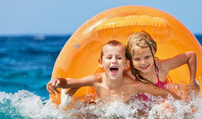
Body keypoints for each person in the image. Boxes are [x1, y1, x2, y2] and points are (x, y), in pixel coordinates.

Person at [46, 40, 180, 103]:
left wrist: (185, 108)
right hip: (102, 113)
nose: (114, 61)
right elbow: (69, 82)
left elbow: (163, 93)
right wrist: (56, 81)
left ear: (126, 63)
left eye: (119, 58)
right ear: (101, 62)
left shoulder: (133, 86)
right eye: (109, 57)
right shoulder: (97, 80)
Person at [125, 31, 200, 97]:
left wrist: (192, 82)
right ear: (130, 59)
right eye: (137, 59)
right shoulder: (130, 73)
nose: (143, 62)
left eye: (147, 57)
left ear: (153, 52)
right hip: (142, 109)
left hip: (162, 102)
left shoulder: (161, 67)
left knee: (166, 106)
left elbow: (191, 56)